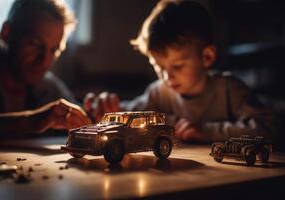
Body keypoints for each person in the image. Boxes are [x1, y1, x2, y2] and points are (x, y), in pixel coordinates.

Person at [85, 0, 274, 143]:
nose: (167, 77)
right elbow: (130, 112)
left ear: (207, 57)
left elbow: (268, 129)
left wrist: (206, 131)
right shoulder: (158, 93)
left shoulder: (229, 89)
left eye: (177, 66)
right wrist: (105, 107)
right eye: (159, 68)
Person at [0, 0, 91, 144]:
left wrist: (96, 112)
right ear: (7, 33)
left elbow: (83, 123)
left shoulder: (50, 88)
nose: (45, 60)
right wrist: (29, 121)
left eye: (54, 50)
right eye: (35, 43)